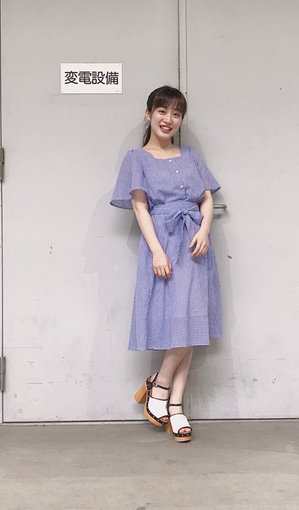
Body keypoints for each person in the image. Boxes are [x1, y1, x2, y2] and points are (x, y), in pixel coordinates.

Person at [110, 85, 222, 443]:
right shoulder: (136, 158)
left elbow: (206, 197)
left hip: (194, 244)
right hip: (164, 242)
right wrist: (157, 251)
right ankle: (161, 392)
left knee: (192, 320)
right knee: (178, 321)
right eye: (162, 111)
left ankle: (172, 402)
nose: (168, 119)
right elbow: (140, 206)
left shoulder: (190, 156)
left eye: (176, 113)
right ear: (149, 114)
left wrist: (204, 230)